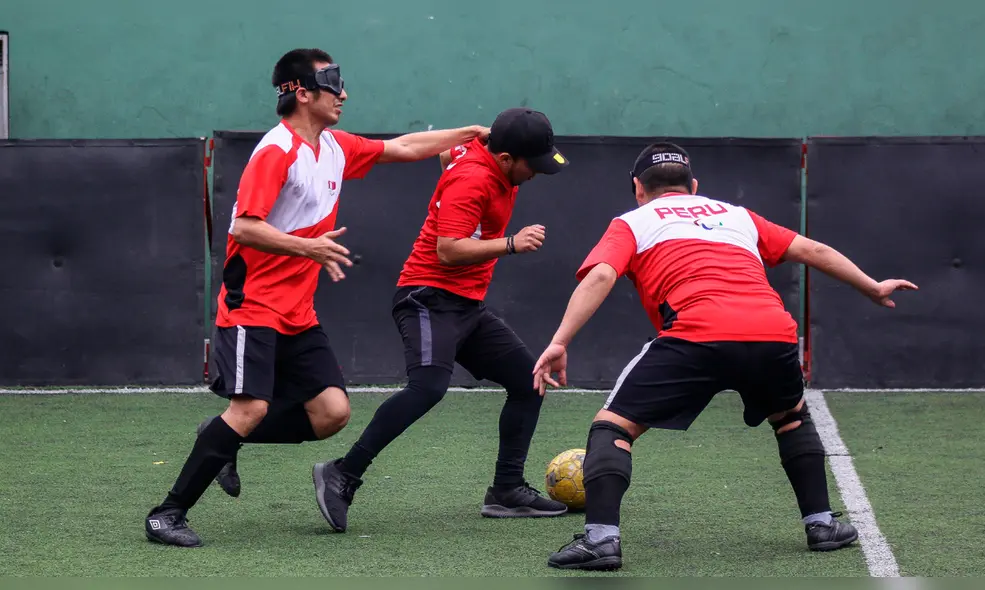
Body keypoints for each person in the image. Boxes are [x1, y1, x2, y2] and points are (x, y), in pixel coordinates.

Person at [143, 48, 492, 548]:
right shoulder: (276, 151)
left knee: (331, 414)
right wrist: (308, 245)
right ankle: (167, 513)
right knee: (249, 410)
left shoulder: (333, 146)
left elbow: (404, 147)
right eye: (333, 85)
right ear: (302, 92)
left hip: (297, 313)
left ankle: (220, 437)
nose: (343, 94)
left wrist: (467, 133)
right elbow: (243, 226)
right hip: (252, 307)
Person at [534, 142, 918, 570]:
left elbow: (602, 273)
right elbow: (813, 251)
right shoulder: (736, 216)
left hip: (696, 333)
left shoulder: (631, 221)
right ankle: (822, 524)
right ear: (694, 186)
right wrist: (872, 286)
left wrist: (560, 341)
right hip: (772, 332)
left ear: (638, 189)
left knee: (612, 427)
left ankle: (601, 540)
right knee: (791, 417)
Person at [311, 107, 571, 533]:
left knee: (528, 382)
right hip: (427, 297)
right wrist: (511, 243)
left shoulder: (484, 159)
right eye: (532, 165)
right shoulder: (474, 179)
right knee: (428, 387)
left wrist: (461, 150)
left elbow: (446, 153)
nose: (536, 174)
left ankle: (506, 490)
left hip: (466, 304)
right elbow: (447, 249)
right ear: (505, 159)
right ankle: (343, 472)